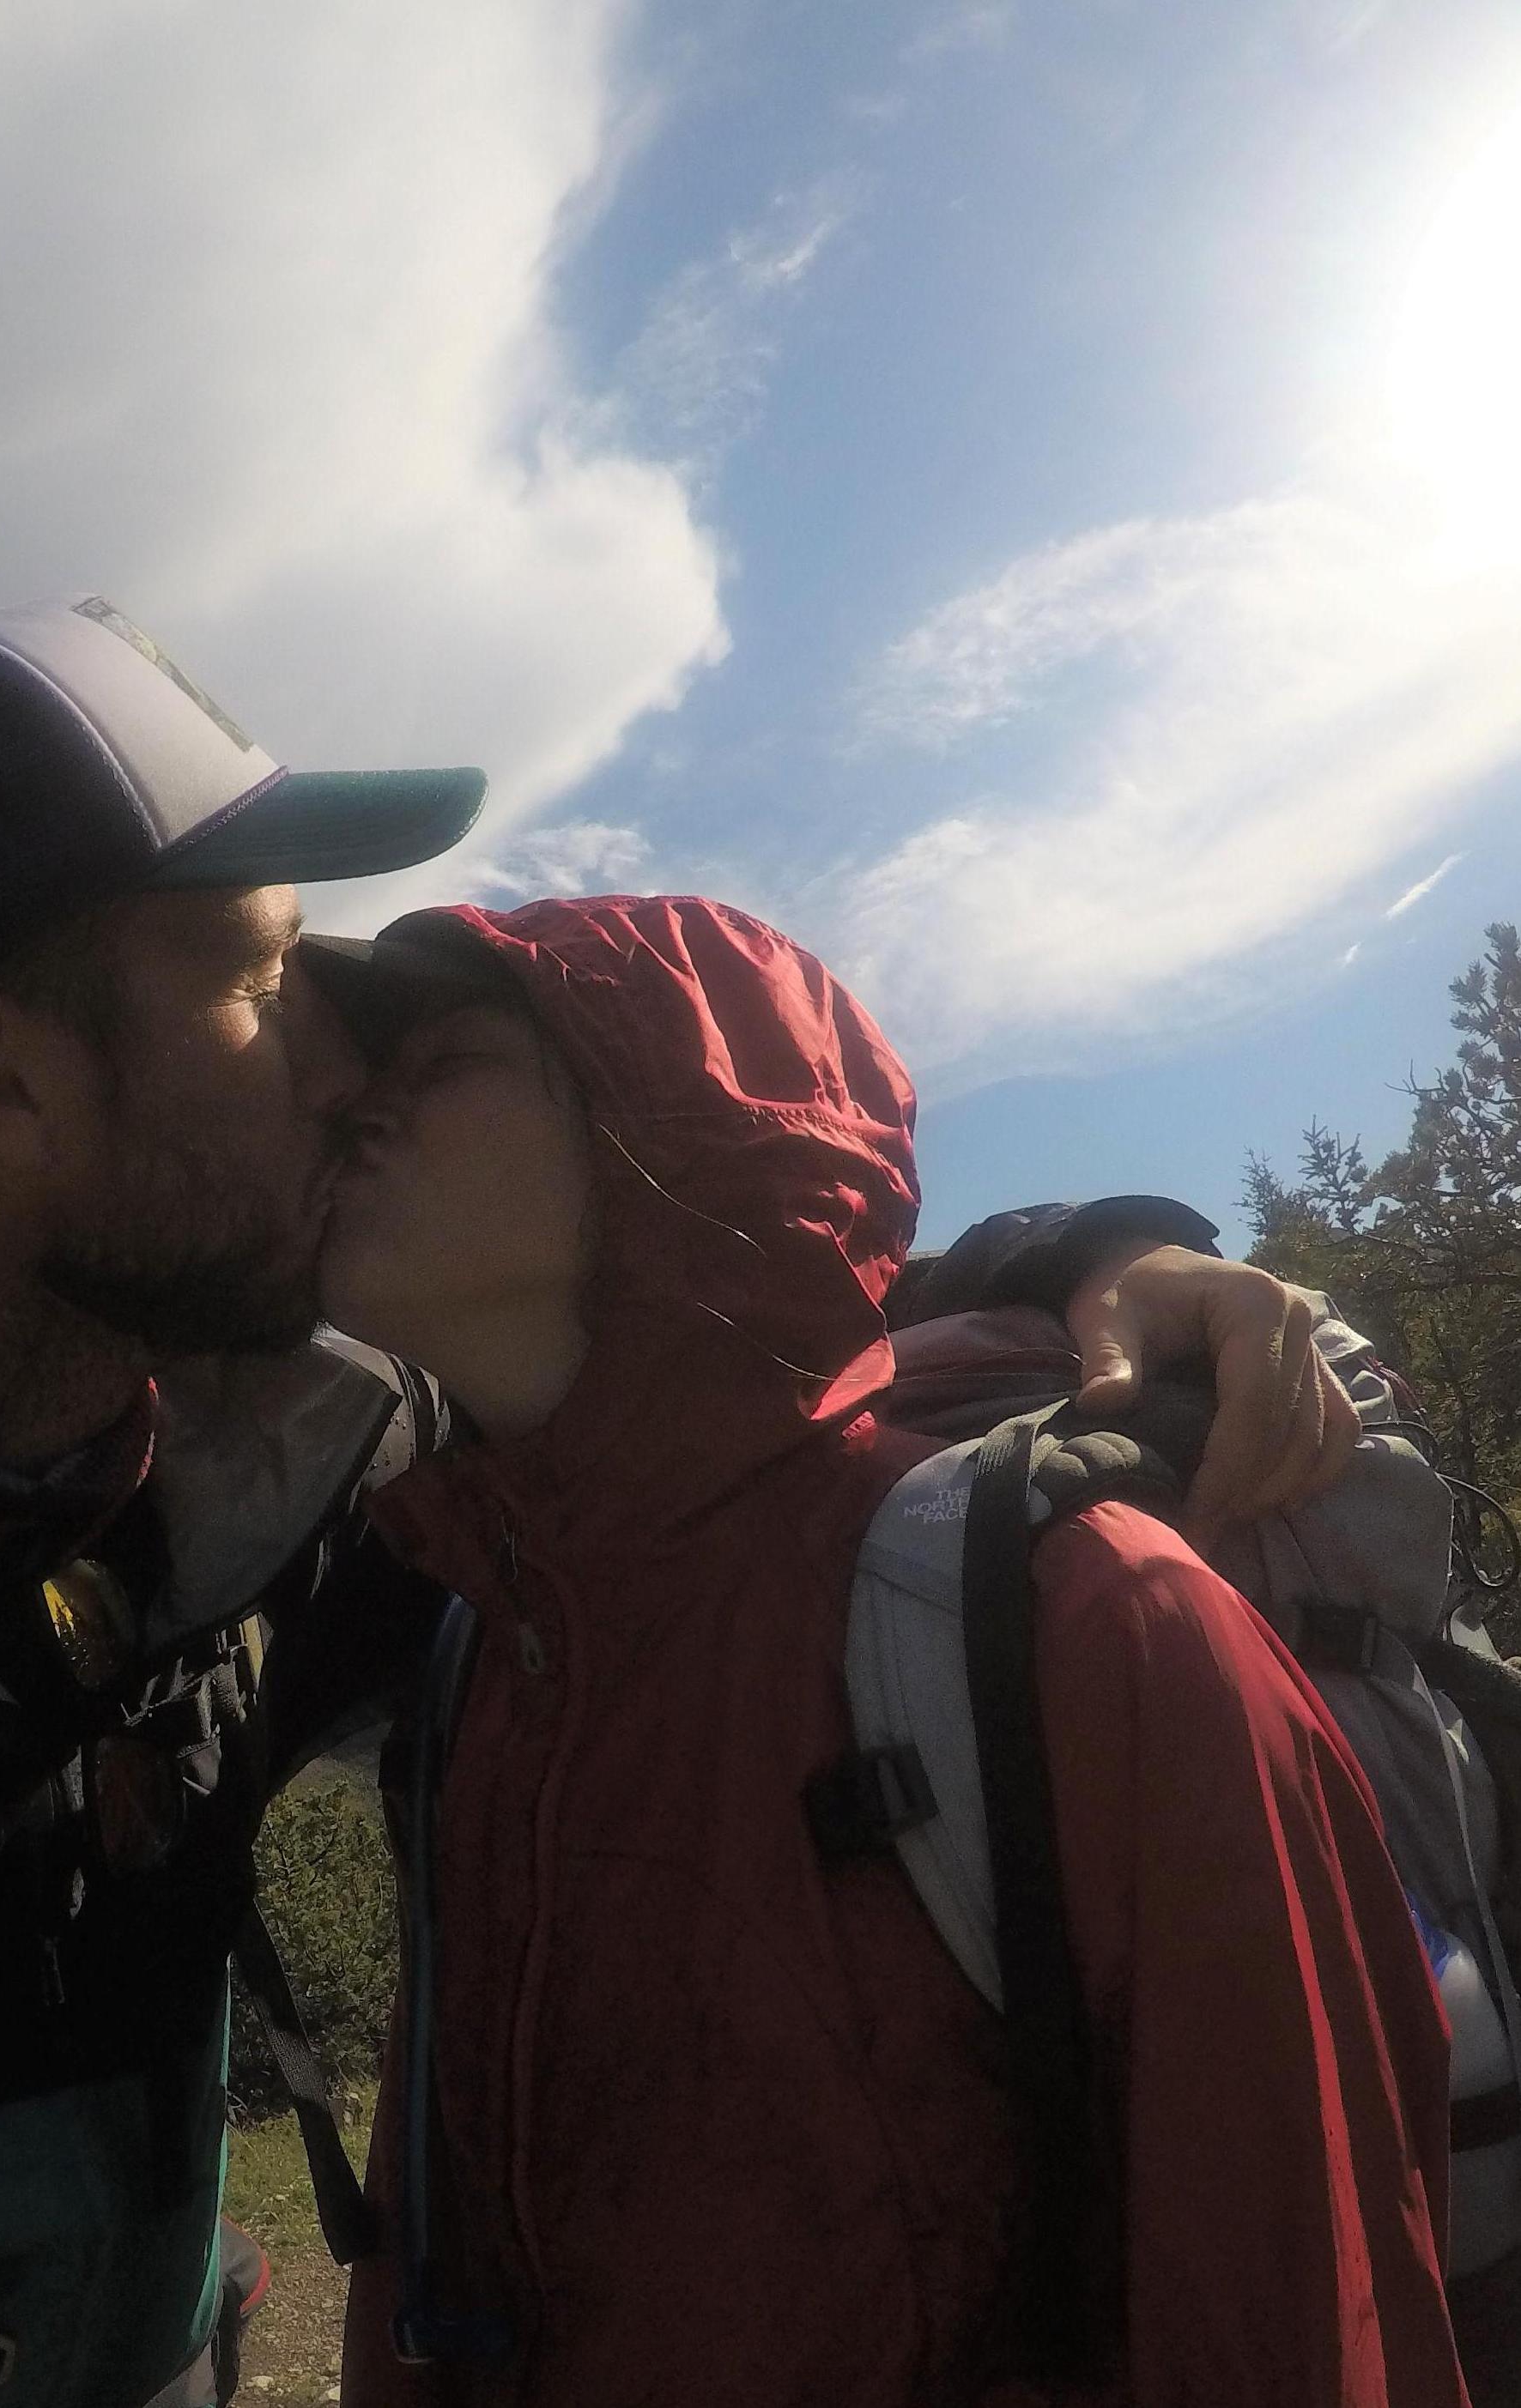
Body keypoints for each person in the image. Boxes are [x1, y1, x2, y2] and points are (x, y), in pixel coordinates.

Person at [0, 599, 1356, 2408]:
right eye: (267, 973)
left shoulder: (317, 1453)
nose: (338, 1051)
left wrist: (1093, 1264)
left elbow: (694, 1361)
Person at [318, 895, 1464, 2407]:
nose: (359, 1106)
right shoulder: (486, 1642)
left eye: (450, 1055)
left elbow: (1291, 2317)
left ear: (671, 1136)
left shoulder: (1086, 1621)